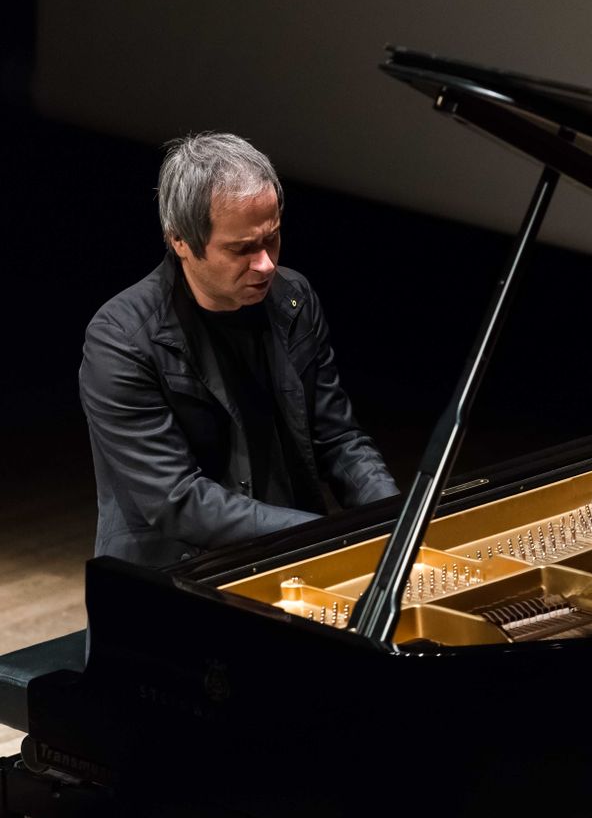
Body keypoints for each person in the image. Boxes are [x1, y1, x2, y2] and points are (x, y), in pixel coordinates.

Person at [80, 132, 399, 567]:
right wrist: (319, 534)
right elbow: (178, 499)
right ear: (180, 242)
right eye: (242, 249)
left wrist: (395, 519)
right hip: (175, 576)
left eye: (271, 238)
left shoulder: (294, 299)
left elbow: (339, 438)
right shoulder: (121, 339)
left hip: (290, 553)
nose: (266, 263)